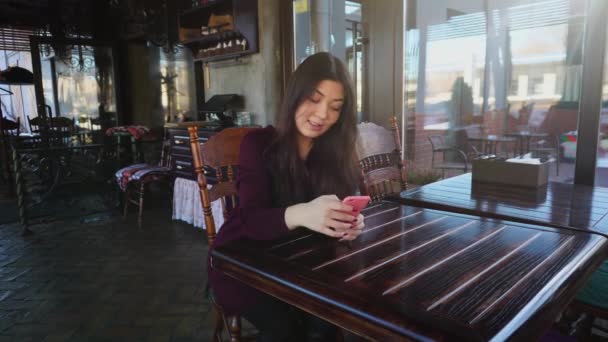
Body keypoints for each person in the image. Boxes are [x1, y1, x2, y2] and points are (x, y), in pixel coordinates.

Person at [208, 52, 365, 341]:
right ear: (295, 94)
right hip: (242, 264)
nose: (321, 115)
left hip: (299, 264)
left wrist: (345, 224)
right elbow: (250, 220)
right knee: (288, 330)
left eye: (335, 107)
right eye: (314, 99)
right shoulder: (259, 144)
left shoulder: (334, 155)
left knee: (328, 324)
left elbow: (331, 213)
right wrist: (305, 213)